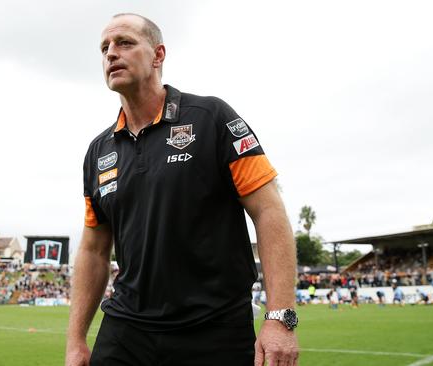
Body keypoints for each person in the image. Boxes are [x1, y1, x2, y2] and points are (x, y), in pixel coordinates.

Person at [66, 13, 299, 366]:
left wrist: (280, 317)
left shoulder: (212, 118)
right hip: (127, 329)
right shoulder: (99, 151)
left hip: (214, 328)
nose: (111, 53)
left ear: (158, 55)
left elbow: (268, 211)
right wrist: (76, 340)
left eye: (124, 42)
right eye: (104, 48)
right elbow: (94, 250)